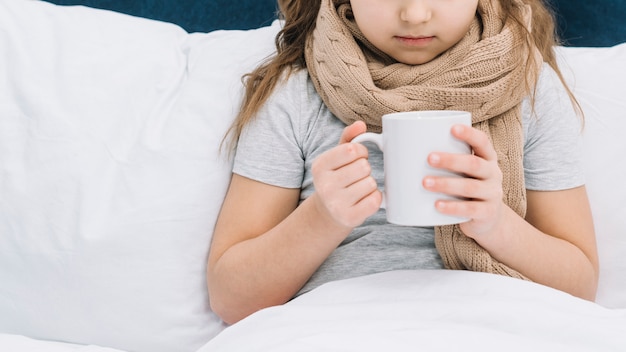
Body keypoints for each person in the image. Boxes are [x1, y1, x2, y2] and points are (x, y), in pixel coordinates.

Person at [207, 0, 599, 325]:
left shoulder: (530, 89)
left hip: (493, 324)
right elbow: (232, 299)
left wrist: (497, 225)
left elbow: (580, 286)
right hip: (335, 327)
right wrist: (323, 218)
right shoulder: (296, 94)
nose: (414, 14)